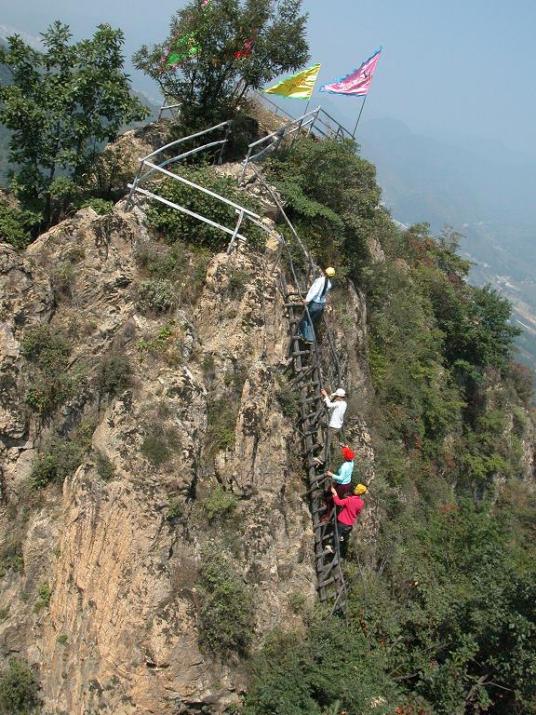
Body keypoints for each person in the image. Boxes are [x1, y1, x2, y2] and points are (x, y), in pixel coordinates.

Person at [326, 483, 367, 558]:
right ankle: (342, 537)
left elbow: (338, 502)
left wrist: (335, 494)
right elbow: (358, 512)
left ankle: (333, 548)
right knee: (342, 533)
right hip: (350, 523)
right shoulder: (361, 503)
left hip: (342, 521)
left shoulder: (349, 500)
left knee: (336, 534)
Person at [298, 267, 335, 343]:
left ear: (324, 272)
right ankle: (310, 338)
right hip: (321, 305)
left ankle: (304, 336)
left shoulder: (319, 281)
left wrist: (307, 300)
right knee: (311, 320)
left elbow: (314, 291)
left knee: (306, 318)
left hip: (314, 303)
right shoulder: (329, 284)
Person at [320, 445, 355, 523]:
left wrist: (331, 474)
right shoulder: (351, 463)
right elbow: (350, 456)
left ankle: (327, 516)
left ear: (345, 457)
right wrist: (346, 448)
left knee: (330, 499)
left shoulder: (344, 466)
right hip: (348, 485)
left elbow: (341, 478)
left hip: (341, 486)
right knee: (332, 494)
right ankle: (331, 512)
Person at [320, 387, 347, 459]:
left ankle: (321, 458)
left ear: (338, 396)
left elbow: (329, 405)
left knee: (327, 442)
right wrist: (330, 396)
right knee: (324, 427)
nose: (335, 397)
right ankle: (321, 441)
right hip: (338, 426)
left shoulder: (338, 403)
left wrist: (325, 395)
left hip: (333, 426)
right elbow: (333, 399)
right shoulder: (344, 403)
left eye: (336, 396)